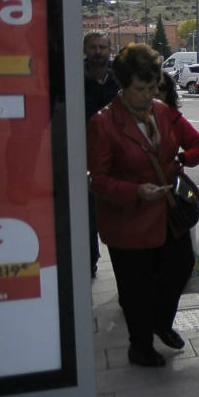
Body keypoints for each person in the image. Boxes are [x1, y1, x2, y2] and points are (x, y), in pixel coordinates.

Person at [87, 43, 199, 367]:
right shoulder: (104, 123)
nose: (147, 96)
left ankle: (161, 323)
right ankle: (140, 347)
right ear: (123, 86)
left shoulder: (163, 111)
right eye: (140, 89)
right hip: (129, 222)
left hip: (167, 215)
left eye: (152, 88)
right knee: (136, 289)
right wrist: (136, 191)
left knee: (179, 268)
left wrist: (181, 159)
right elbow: (98, 179)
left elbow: (196, 143)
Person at [84, 30, 119, 278]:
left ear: (109, 50)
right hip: (83, 155)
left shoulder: (119, 79)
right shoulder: (74, 77)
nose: (98, 52)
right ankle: (89, 259)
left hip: (115, 156)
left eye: (102, 47)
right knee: (87, 212)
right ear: (85, 50)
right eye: (93, 47)